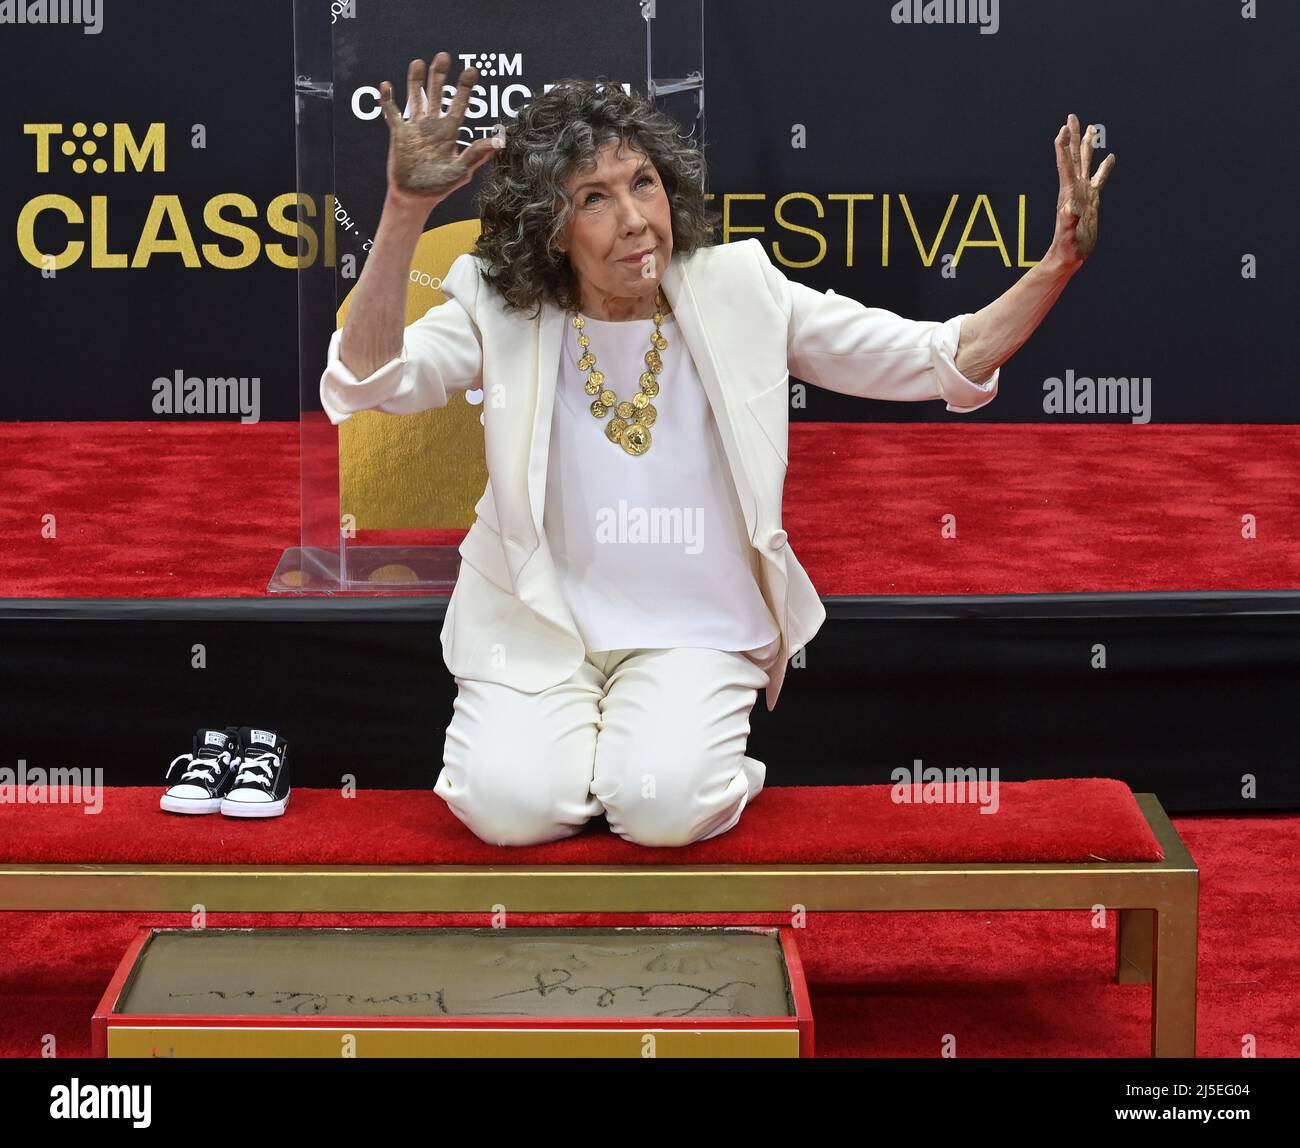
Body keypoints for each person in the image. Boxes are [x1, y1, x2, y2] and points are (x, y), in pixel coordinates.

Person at [320, 53, 1116, 848]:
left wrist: (1056, 268)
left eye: (642, 183)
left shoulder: (740, 288)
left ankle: (656, 760)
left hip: (690, 626)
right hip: (531, 624)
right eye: (595, 198)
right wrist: (401, 213)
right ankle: (580, 758)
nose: (634, 217)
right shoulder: (498, 303)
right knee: (509, 812)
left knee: (662, 811)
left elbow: (939, 355)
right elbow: (367, 381)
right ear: (549, 228)